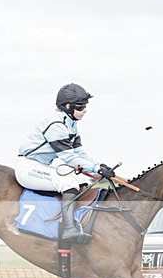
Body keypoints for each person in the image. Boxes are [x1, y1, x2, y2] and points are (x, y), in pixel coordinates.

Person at [15, 83, 115, 241]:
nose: (85, 110)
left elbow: (79, 153)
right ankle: (69, 229)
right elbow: (69, 157)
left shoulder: (71, 123)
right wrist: (97, 168)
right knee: (68, 184)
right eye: (81, 107)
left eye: (85, 106)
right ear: (68, 106)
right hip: (28, 167)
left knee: (81, 181)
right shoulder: (56, 125)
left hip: (43, 164)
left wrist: (100, 166)